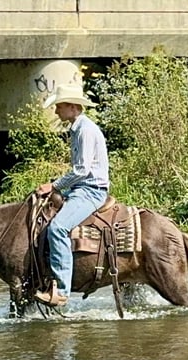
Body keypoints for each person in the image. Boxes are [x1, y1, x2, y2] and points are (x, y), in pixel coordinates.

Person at [34, 84, 110, 307]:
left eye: (59, 106)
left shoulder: (85, 130)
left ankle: (61, 291)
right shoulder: (78, 128)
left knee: (57, 229)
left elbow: (82, 170)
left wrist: (54, 186)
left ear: (72, 107)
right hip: (81, 189)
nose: (56, 110)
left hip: (91, 191)